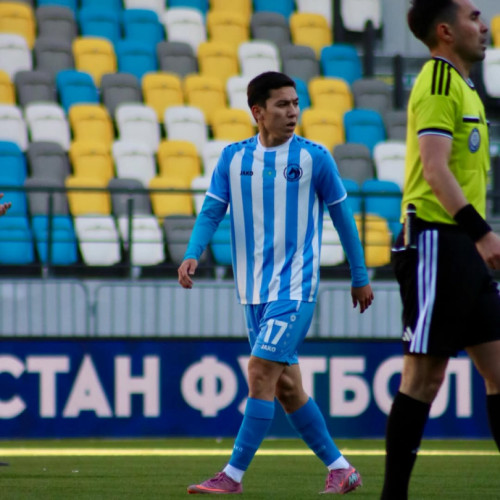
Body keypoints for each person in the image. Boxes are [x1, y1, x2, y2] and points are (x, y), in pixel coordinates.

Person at [178, 71, 374, 495]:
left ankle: (232, 476)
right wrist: (193, 251)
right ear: (258, 112)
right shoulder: (233, 159)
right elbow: (211, 211)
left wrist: (359, 275)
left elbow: (343, 218)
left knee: (260, 370)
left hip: (295, 288)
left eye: (296, 103)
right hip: (252, 292)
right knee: (287, 388)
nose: (292, 112)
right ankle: (341, 469)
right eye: (282, 104)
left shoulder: (315, 158)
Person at [381, 1, 500, 498]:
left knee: (499, 370)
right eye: (474, 17)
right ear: (446, 31)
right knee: (423, 378)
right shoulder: (437, 81)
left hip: (462, 247)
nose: (485, 25)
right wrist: (482, 233)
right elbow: (434, 168)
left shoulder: (466, 87)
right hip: (435, 240)